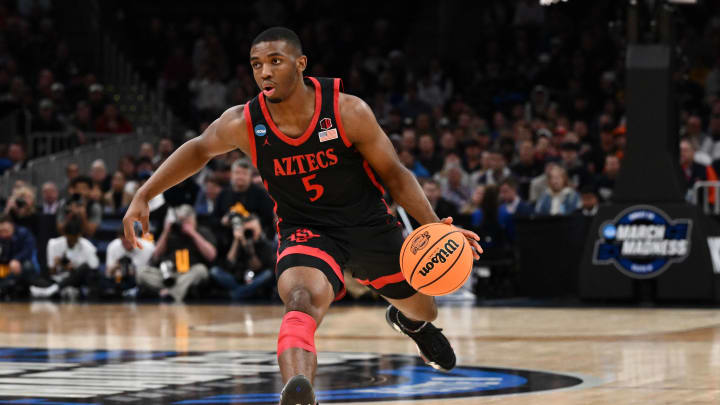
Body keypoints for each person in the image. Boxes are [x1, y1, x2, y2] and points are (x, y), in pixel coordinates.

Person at [122, 27, 481, 405]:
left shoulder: (347, 110)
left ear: (300, 64)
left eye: (275, 61)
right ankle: (298, 391)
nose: (264, 72)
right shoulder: (244, 122)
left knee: (424, 305)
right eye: (256, 64)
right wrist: (145, 193)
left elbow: (395, 174)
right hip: (305, 230)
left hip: (368, 226)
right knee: (301, 298)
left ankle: (410, 322)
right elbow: (198, 150)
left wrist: (434, 226)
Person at [136, 205, 213, 302]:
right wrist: (166, 231)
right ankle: (176, 290)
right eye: (180, 220)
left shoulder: (203, 232)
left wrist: (193, 233)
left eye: (185, 220)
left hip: (188, 274)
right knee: (141, 272)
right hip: (169, 275)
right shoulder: (171, 232)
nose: (181, 224)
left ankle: (170, 294)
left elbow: (211, 256)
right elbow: (156, 256)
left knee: (201, 270)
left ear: (192, 219)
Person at [210, 214, 275, 300]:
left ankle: (236, 294)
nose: (250, 233)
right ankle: (244, 292)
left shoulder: (265, 245)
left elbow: (256, 267)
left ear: (260, 229)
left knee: (267, 274)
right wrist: (236, 241)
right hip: (237, 279)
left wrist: (250, 250)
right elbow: (229, 263)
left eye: (252, 230)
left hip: (255, 280)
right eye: (247, 230)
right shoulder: (237, 240)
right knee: (215, 271)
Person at [105, 229, 154, 298]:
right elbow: (108, 273)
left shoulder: (149, 248)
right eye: (124, 242)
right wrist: (117, 265)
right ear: (120, 238)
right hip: (120, 282)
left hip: (142, 284)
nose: (127, 244)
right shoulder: (113, 246)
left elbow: (153, 273)